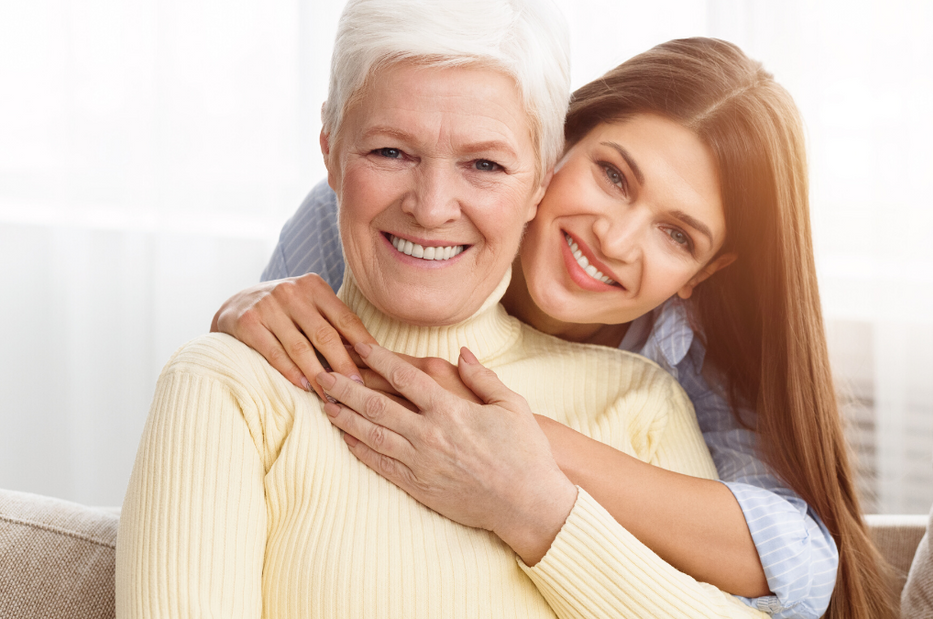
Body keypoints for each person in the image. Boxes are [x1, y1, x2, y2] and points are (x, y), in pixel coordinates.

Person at [116, 1, 769, 618]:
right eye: (390, 152)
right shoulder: (228, 385)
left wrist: (540, 513)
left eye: (484, 163)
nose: (430, 208)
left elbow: (795, 558)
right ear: (330, 154)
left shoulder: (642, 399)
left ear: (540, 181)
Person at [213, 37, 894, 619]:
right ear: (554, 143)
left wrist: (523, 450)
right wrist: (233, 320)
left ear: (702, 273)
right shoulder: (390, 211)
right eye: (613, 176)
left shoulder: (682, 352)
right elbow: (235, 425)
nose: (616, 239)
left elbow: (802, 566)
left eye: (676, 234)